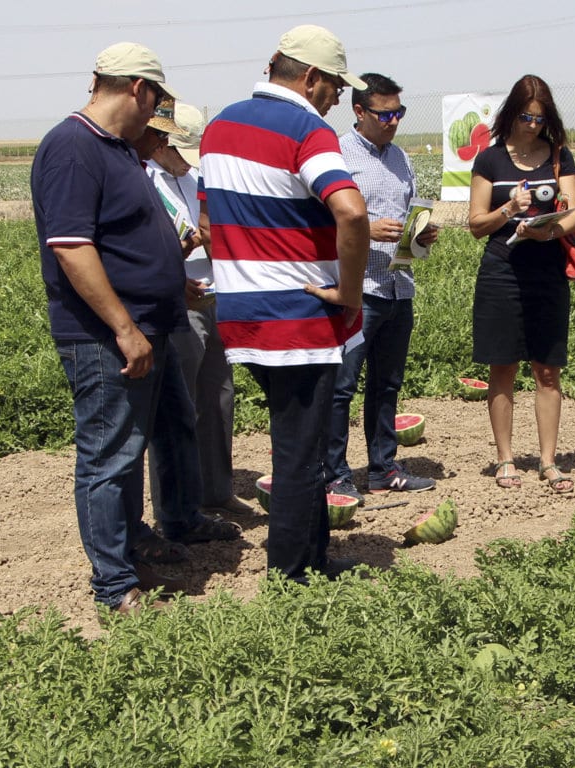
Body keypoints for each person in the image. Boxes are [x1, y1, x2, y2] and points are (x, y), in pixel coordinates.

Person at [31, 43, 240, 616]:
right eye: (154, 104)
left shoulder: (117, 150)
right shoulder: (73, 147)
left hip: (157, 320)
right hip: (108, 335)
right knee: (111, 454)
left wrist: (169, 277)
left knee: (174, 427)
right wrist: (124, 327)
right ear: (140, 91)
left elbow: (126, 240)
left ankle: (175, 520)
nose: (155, 120)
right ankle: (115, 582)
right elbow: (73, 248)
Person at [199, 25, 370, 583]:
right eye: (335, 87)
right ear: (311, 77)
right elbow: (351, 212)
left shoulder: (219, 125)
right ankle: (292, 576)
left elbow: (207, 219)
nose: (339, 98)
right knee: (299, 452)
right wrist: (348, 289)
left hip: (241, 314)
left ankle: (315, 556)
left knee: (305, 441)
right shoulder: (307, 127)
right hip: (298, 319)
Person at [324, 73, 440, 500]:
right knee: (341, 387)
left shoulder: (402, 158)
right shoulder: (336, 153)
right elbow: (320, 218)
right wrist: (365, 228)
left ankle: (382, 468)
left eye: (399, 113)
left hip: (396, 287)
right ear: (359, 111)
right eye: (385, 113)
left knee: (387, 384)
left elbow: (408, 213)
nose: (393, 121)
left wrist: (419, 234)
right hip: (357, 289)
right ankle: (334, 473)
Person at [467, 74, 575, 494]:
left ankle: (549, 462)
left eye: (539, 118)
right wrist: (508, 209)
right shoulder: (490, 160)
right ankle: (505, 459)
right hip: (502, 271)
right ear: (510, 114)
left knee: (548, 370)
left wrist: (549, 231)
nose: (532, 125)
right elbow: (476, 225)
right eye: (525, 117)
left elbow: (573, 214)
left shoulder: (558, 156)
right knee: (503, 366)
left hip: (547, 272)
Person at [143, 102, 256, 518]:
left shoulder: (195, 177)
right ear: (162, 143)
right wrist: (181, 251)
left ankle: (216, 490)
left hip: (213, 293)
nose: (186, 164)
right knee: (178, 403)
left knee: (218, 396)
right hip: (178, 296)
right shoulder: (143, 178)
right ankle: (176, 506)